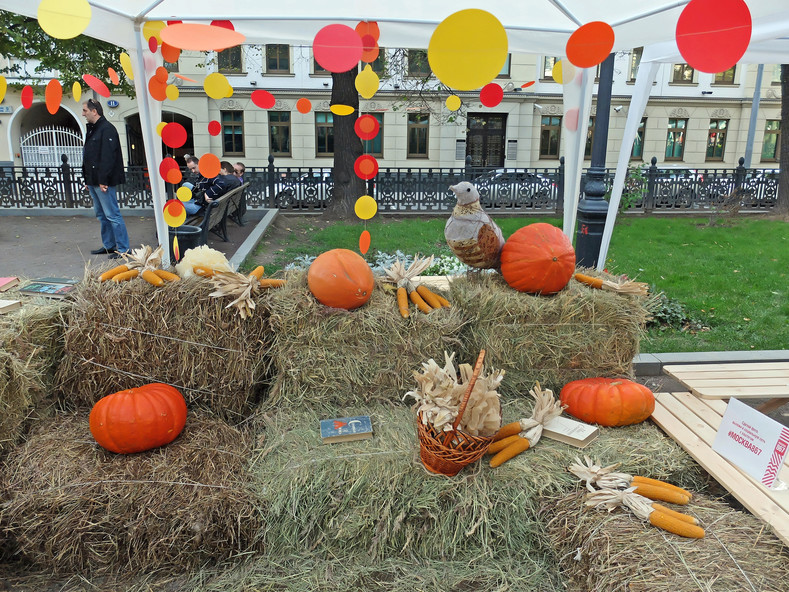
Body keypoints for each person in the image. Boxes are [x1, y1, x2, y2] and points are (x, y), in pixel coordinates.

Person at [82, 98, 130, 259]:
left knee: (112, 215)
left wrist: (103, 180)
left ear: (94, 111)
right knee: (102, 215)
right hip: (93, 180)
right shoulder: (94, 129)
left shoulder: (106, 129)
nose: (83, 114)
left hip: (102, 181)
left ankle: (124, 249)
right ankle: (109, 245)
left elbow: (108, 157)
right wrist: (87, 179)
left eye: (85, 111)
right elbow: (90, 156)